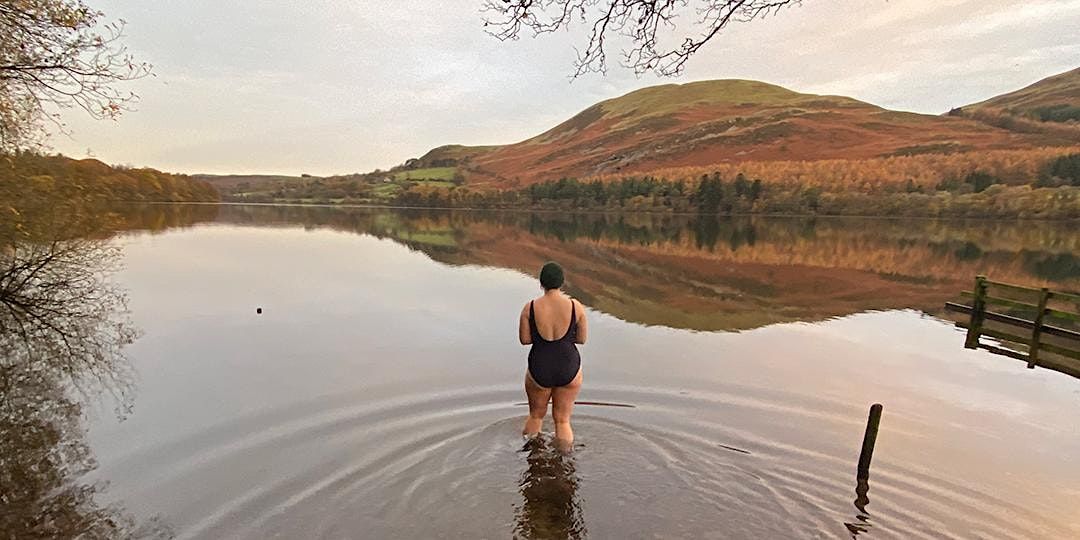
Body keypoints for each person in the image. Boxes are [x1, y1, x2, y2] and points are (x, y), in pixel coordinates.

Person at [518, 261, 588, 449]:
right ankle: (565, 458)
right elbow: (581, 339)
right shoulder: (576, 307)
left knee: (536, 416)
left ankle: (533, 455)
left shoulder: (530, 308)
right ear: (562, 283)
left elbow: (525, 340)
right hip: (569, 366)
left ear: (541, 283)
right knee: (563, 421)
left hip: (540, 366)